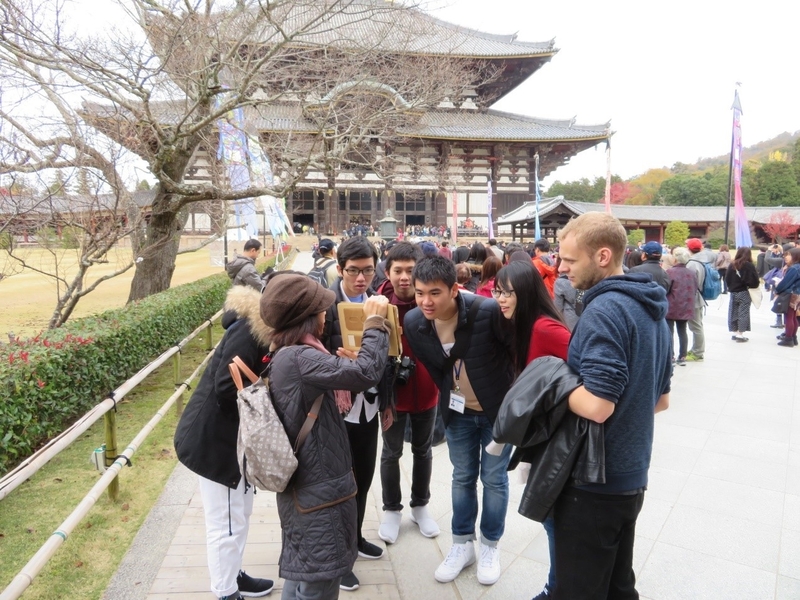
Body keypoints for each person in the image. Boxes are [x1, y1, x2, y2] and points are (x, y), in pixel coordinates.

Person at [554, 212, 671, 599]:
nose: (561, 267)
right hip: (632, 472)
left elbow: (599, 406)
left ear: (602, 256)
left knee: (580, 589)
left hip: (594, 481)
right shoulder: (652, 306)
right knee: (618, 585)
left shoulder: (605, 311)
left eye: (570, 260)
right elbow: (661, 400)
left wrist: (551, 383)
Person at [262, 274, 392, 600]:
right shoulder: (300, 357)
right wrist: (375, 322)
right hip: (320, 497)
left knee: (303, 574)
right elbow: (366, 373)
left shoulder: (289, 353)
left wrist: (343, 365)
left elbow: (351, 372)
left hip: (307, 493)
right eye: (322, 310)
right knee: (319, 584)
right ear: (307, 316)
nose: (325, 315)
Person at [404, 256, 514, 586]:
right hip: (458, 414)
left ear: (455, 289)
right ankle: (462, 544)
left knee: (494, 480)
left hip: (497, 414)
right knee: (462, 476)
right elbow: (436, 367)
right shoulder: (414, 322)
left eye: (434, 293)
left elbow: (514, 353)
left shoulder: (487, 311)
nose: (426, 301)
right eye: (419, 292)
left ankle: (490, 546)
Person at [174, 284, 276, 600]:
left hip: (234, 440)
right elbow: (223, 386)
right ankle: (225, 591)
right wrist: (266, 391)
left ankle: (233, 574)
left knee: (239, 514)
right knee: (226, 522)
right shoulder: (251, 331)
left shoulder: (264, 330)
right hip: (216, 442)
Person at [492, 261, 570, 600]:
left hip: (557, 437)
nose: (500, 299)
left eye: (507, 292)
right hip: (543, 436)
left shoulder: (544, 328)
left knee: (553, 516)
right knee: (550, 515)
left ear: (525, 292)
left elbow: (581, 369)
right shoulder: (524, 327)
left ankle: (557, 588)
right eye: (497, 291)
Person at [321, 236, 386, 591]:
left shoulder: (380, 304)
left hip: (370, 405)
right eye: (353, 271)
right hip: (338, 407)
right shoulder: (327, 304)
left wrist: (387, 403)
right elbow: (310, 351)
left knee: (364, 476)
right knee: (339, 483)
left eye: (367, 271)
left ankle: (357, 536)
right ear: (340, 268)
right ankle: (340, 556)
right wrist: (336, 360)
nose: (361, 278)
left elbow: (388, 357)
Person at [376, 242, 441, 545]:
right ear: (387, 272)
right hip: (392, 395)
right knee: (391, 453)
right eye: (398, 270)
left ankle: (420, 504)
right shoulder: (376, 304)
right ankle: (391, 508)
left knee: (423, 450)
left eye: (410, 271)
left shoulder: (431, 302)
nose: (404, 277)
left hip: (427, 389)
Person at [665, 247, 698, 365]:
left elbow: (666, 289)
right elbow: (695, 289)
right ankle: (683, 356)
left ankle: (671, 356)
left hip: (671, 305)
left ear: (675, 259)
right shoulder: (692, 273)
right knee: (682, 331)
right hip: (686, 305)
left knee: (669, 331)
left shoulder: (669, 272)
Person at [685, 238, 713, 361]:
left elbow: (689, 283)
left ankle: (698, 352)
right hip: (699, 296)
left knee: (696, 326)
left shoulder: (692, 263)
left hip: (694, 298)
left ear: (688, 249)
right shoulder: (703, 261)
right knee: (698, 325)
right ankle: (696, 349)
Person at [725, 246, 760, 342]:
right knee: (743, 313)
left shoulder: (732, 264)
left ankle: (735, 332)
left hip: (733, 292)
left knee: (733, 312)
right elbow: (754, 281)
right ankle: (740, 334)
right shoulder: (749, 266)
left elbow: (727, 278)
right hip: (744, 292)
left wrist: (731, 287)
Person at [775, 247, 800, 347]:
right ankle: (793, 337)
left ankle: (788, 338)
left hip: (791, 294)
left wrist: (777, 290)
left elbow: (786, 282)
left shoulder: (794, 268)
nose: (786, 257)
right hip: (797, 293)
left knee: (789, 317)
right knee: (794, 316)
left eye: (788, 255)